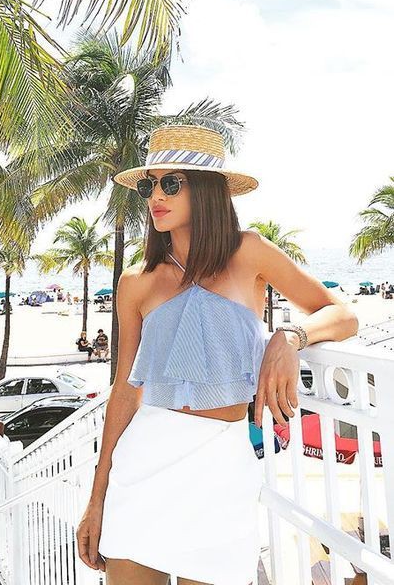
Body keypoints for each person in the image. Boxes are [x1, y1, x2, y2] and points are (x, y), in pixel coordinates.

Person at [75, 124, 359, 584]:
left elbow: (342, 314)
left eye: (171, 183)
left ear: (205, 190)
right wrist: (96, 500)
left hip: (221, 469)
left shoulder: (250, 253)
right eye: (150, 185)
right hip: (142, 464)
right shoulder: (137, 282)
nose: (155, 197)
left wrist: (288, 337)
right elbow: (124, 393)